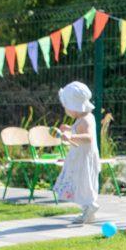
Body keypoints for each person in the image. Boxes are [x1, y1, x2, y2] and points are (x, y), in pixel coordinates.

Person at [52, 81, 101, 224]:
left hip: (83, 159)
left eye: (66, 107)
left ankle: (90, 206)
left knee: (84, 183)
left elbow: (89, 138)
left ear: (74, 106)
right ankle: (88, 212)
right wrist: (69, 129)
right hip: (79, 157)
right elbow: (79, 130)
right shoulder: (82, 118)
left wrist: (71, 136)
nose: (65, 109)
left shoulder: (85, 120)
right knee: (80, 183)